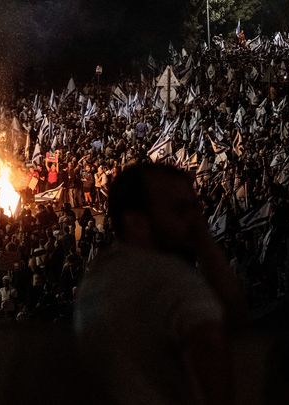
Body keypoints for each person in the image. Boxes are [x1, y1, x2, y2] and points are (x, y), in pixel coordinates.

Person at [74, 163, 248, 405]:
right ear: (136, 221)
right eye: (180, 209)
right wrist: (204, 241)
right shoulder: (173, 282)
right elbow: (220, 347)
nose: (194, 218)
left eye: (193, 206)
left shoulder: (96, 278)